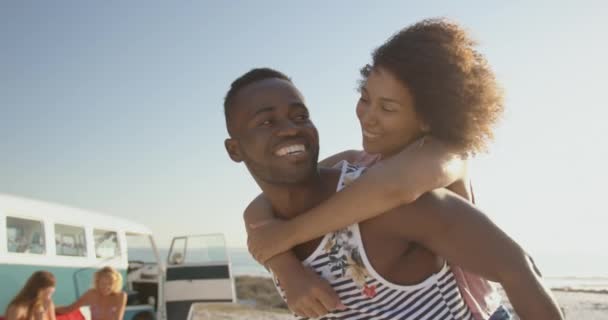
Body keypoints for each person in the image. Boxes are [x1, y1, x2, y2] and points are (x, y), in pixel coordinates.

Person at [223, 66, 563, 319]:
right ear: (234, 150)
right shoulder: (268, 228)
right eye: (266, 122)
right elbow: (261, 217)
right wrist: (284, 265)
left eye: (300, 115)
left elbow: (518, 268)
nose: (291, 129)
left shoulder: (387, 199)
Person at [244, 18, 515, 319]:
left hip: (476, 314)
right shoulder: (359, 161)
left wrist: (287, 235)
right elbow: (263, 204)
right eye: (365, 99)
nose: (367, 117)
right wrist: (285, 267)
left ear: (430, 116)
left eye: (387, 108)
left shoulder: (448, 156)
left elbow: (394, 188)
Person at [56, 266, 127, 320]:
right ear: (97, 282)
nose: (106, 287)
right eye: (103, 283)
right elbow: (68, 309)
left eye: (110, 284)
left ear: (115, 284)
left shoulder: (120, 296)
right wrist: (50, 308)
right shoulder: (91, 294)